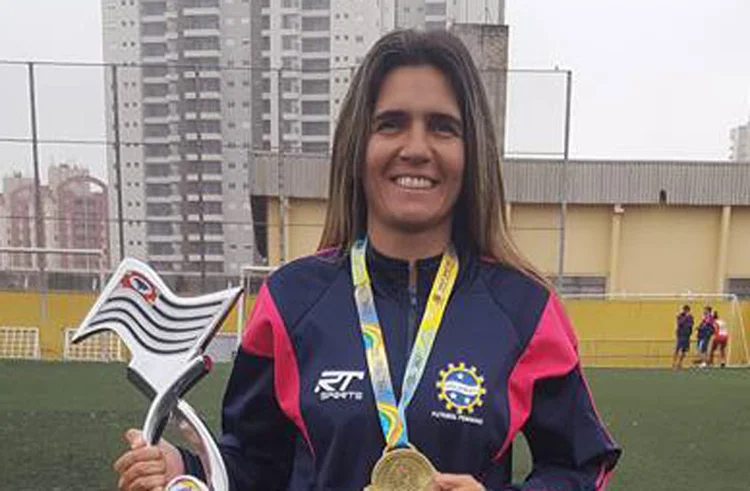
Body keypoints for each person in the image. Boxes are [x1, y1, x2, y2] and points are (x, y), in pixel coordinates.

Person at [114, 29, 620, 490]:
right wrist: (189, 468)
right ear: (359, 146)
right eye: (391, 124)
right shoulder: (290, 302)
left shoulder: (525, 310)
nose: (416, 148)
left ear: (473, 153)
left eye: (443, 127)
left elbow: (581, 464)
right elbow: (254, 462)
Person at [672, 305, 693, 369]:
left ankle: (679, 363)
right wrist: (686, 317)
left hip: (686, 336)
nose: (686, 311)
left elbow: (691, 325)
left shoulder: (690, 317)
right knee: (677, 349)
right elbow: (680, 323)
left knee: (684, 350)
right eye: (685, 310)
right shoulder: (680, 316)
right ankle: (674, 363)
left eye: (687, 310)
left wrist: (690, 333)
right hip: (681, 335)